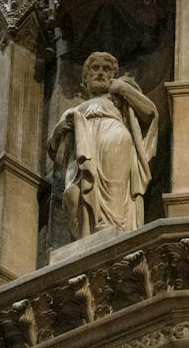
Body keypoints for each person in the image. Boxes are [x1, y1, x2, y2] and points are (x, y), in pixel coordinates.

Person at [48, 51, 159, 239]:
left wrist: (123, 88)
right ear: (85, 77)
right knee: (72, 195)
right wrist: (60, 129)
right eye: (95, 68)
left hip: (115, 141)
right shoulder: (73, 110)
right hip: (83, 147)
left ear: (113, 75)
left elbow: (150, 113)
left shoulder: (120, 97)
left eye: (106, 69)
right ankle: (85, 236)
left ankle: (114, 231)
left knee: (114, 193)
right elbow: (53, 149)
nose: (100, 73)